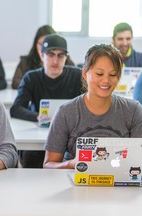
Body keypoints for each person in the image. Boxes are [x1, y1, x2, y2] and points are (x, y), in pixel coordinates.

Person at [44, 44, 142, 169]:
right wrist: (72, 164)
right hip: (74, 184)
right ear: (85, 74)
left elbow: (138, 161)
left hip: (119, 185)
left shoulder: (133, 111)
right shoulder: (66, 112)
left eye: (112, 75)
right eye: (99, 74)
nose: (106, 80)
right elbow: (48, 165)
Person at [10, 34, 83, 168]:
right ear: (42, 55)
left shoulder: (77, 76)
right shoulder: (31, 78)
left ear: (66, 57)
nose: (55, 61)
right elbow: (16, 109)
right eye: (50, 55)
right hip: (40, 132)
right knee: (31, 156)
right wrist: (37, 116)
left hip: (69, 134)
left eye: (60, 55)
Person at [12, 25, 75, 89]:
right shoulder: (26, 62)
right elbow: (16, 82)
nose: (55, 61)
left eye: (60, 55)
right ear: (35, 44)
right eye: (42, 44)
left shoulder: (66, 62)